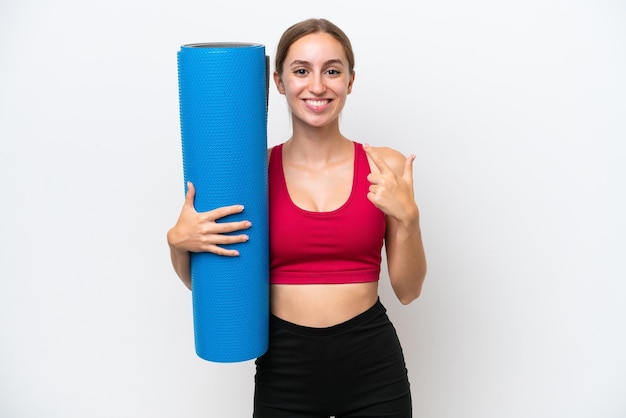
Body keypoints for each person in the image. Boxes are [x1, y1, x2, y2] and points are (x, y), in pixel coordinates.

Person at [167, 17, 427, 418]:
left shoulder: (384, 166)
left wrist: (408, 218)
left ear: (350, 81)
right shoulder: (253, 175)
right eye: (301, 71)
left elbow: (408, 290)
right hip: (284, 366)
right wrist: (179, 245)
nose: (318, 86)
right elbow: (215, 287)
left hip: (373, 364)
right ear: (278, 82)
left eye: (333, 71)